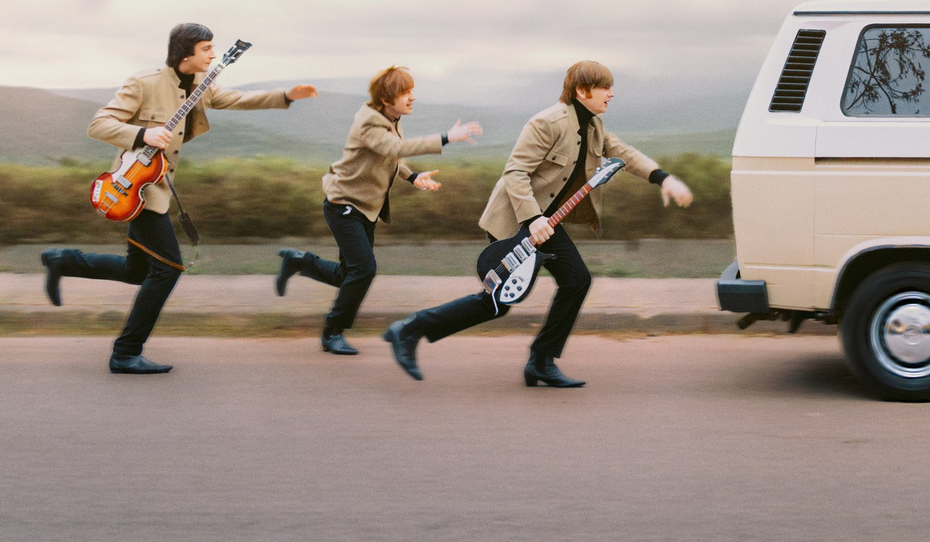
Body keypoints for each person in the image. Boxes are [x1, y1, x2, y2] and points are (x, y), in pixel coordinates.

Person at [383, 61, 693, 387]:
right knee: (498, 302)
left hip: (547, 223)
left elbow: (623, 153)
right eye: (604, 87)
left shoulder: (593, 126)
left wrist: (664, 179)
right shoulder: (547, 123)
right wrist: (532, 220)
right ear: (581, 91)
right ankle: (409, 329)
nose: (611, 94)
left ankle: (541, 362)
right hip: (518, 219)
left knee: (576, 281)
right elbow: (515, 172)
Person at [41, 23, 316, 374]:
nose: (213, 55)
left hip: (153, 189)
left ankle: (64, 261)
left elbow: (235, 99)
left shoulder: (200, 87)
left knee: (137, 270)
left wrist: (286, 96)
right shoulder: (144, 82)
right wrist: (142, 133)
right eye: (207, 49)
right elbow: (99, 125)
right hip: (132, 187)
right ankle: (125, 352)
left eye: (215, 49)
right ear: (186, 52)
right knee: (168, 269)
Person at [275, 66, 481, 353]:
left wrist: (412, 177)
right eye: (405, 93)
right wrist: (447, 137)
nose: (412, 98)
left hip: (366, 207)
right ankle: (332, 332)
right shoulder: (370, 123)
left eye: (412, 92)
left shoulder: (390, 117)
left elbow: (388, 157)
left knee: (350, 274)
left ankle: (299, 262)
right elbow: (397, 148)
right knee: (364, 270)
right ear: (386, 99)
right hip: (344, 204)